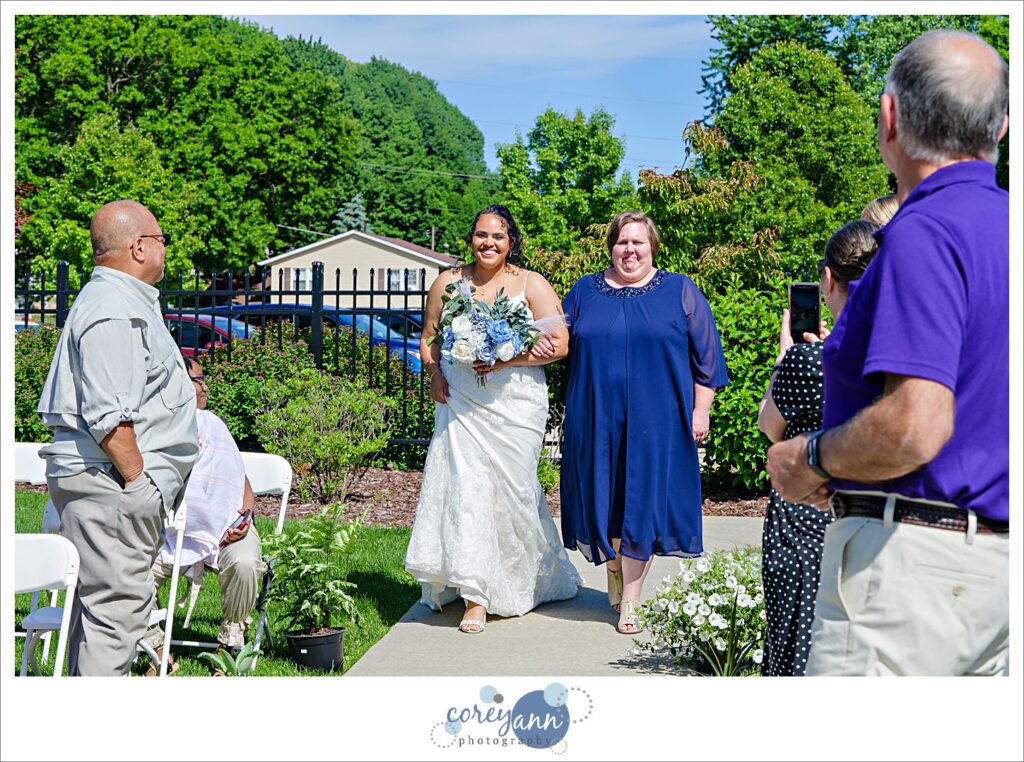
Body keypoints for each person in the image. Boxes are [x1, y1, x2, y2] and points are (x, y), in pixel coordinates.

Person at [767, 30, 1009, 676]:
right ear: (1002, 125)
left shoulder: (922, 232)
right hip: (997, 573)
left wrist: (810, 457)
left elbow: (915, 424)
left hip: (908, 575)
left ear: (889, 117)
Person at [37, 200, 198, 676]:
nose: (166, 249)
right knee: (115, 622)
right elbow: (110, 416)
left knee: (100, 619)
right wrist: (141, 485)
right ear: (140, 246)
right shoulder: (112, 309)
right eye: (163, 239)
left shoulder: (120, 302)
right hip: (112, 485)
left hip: (111, 487)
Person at [404, 204, 581, 633]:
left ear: (510, 242)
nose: (488, 243)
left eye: (498, 237)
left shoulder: (530, 283)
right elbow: (428, 337)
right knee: (467, 491)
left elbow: (560, 345)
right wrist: (433, 375)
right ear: (471, 238)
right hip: (461, 400)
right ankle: (475, 595)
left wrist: (505, 358)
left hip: (516, 405)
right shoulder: (448, 283)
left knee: (514, 491)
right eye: (481, 235)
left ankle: (519, 580)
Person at [560, 210, 729, 634]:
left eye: (638, 242)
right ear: (611, 246)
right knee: (605, 500)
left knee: (641, 503)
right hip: (594, 416)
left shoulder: (679, 290)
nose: (629, 250)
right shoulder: (584, 291)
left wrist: (701, 409)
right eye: (622, 242)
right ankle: (614, 570)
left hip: (660, 420)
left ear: (652, 247)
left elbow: (707, 359)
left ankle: (632, 598)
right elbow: (555, 345)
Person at [756, 220, 880, 676]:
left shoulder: (807, 359)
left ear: (828, 280)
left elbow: (771, 426)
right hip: (874, 515)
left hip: (802, 514)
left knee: (796, 635)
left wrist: (784, 357)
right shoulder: (884, 350)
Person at [140, 354, 266, 674]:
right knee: (125, 571)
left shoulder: (213, 425)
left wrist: (245, 517)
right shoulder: (154, 427)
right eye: (198, 380)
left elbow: (240, 480)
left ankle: (230, 644)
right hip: (167, 531)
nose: (205, 387)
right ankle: (157, 652)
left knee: (246, 562)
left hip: (226, 528)